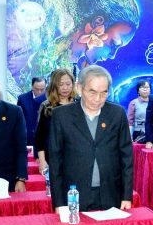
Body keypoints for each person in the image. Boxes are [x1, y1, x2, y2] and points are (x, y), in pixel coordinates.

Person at [47, 65, 133, 211]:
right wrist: (59, 203)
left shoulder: (117, 114)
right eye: (92, 92)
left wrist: (126, 195)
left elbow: (126, 157)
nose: (98, 99)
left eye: (104, 93)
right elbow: (55, 162)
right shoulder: (61, 116)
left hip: (111, 193)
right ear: (79, 88)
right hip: (74, 195)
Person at [34, 68, 78, 175]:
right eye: (61, 84)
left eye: (68, 84)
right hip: (53, 158)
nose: (65, 88)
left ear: (73, 84)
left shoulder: (79, 105)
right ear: (54, 85)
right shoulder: (47, 107)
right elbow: (40, 137)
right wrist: (42, 161)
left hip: (76, 159)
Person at [17, 76, 46, 145]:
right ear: (32, 87)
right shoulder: (22, 99)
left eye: (42, 89)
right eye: (37, 89)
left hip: (44, 138)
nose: (39, 92)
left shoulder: (50, 99)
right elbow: (18, 120)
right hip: (28, 138)